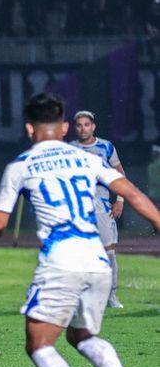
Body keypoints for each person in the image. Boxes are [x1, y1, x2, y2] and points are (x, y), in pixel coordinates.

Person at [0, 92, 160, 367]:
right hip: (96, 259)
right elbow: (133, 193)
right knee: (81, 336)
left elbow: (0, 224)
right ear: (64, 127)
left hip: (61, 260)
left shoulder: (20, 165)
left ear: (30, 129)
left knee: (38, 343)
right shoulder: (88, 160)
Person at [69, 110, 127, 308]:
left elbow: (120, 175)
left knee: (108, 253)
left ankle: (111, 296)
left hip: (101, 208)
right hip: (78, 209)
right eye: (79, 125)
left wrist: (120, 199)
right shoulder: (69, 149)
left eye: (86, 124)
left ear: (93, 126)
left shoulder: (106, 147)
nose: (83, 128)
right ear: (75, 127)